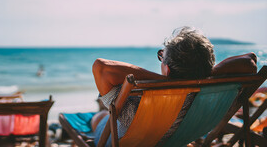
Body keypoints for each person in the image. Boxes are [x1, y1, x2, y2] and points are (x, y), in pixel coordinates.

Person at [91, 26, 257, 145]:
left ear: (167, 69)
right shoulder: (206, 96)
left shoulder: (135, 108)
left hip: (127, 141)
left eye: (161, 57)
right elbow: (250, 61)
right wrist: (201, 75)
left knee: (99, 118)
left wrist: (166, 82)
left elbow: (101, 67)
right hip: (180, 136)